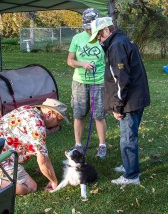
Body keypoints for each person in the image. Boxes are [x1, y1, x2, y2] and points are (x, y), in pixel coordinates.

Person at [89, 17, 150, 185]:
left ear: (107, 30)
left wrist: (117, 106)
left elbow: (121, 79)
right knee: (130, 135)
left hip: (129, 102)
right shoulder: (123, 40)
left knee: (127, 138)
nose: (99, 41)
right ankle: (128, 165)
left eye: (99, 36)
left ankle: (132, 176)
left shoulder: (116, 46)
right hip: (137, 97)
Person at [0, 98, 69, 195]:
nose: (58, 124)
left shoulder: (28, 109)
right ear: (49, 114)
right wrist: (53, 181)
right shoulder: (37, 126)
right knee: (30, 187)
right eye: (59, 119)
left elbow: (35, 146)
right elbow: (44, 162)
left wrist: (44, 165)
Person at [67, 8, 107, 158]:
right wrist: (82, 63)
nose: (90, 30)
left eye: (92, 26)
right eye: (87, 27)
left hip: (99, 82)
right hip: (80, 82)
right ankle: (78, 144)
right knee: (79, 114)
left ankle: (102, 145)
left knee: (99, 115)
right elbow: (70, 60)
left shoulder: (103, 38)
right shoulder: (77, 38)